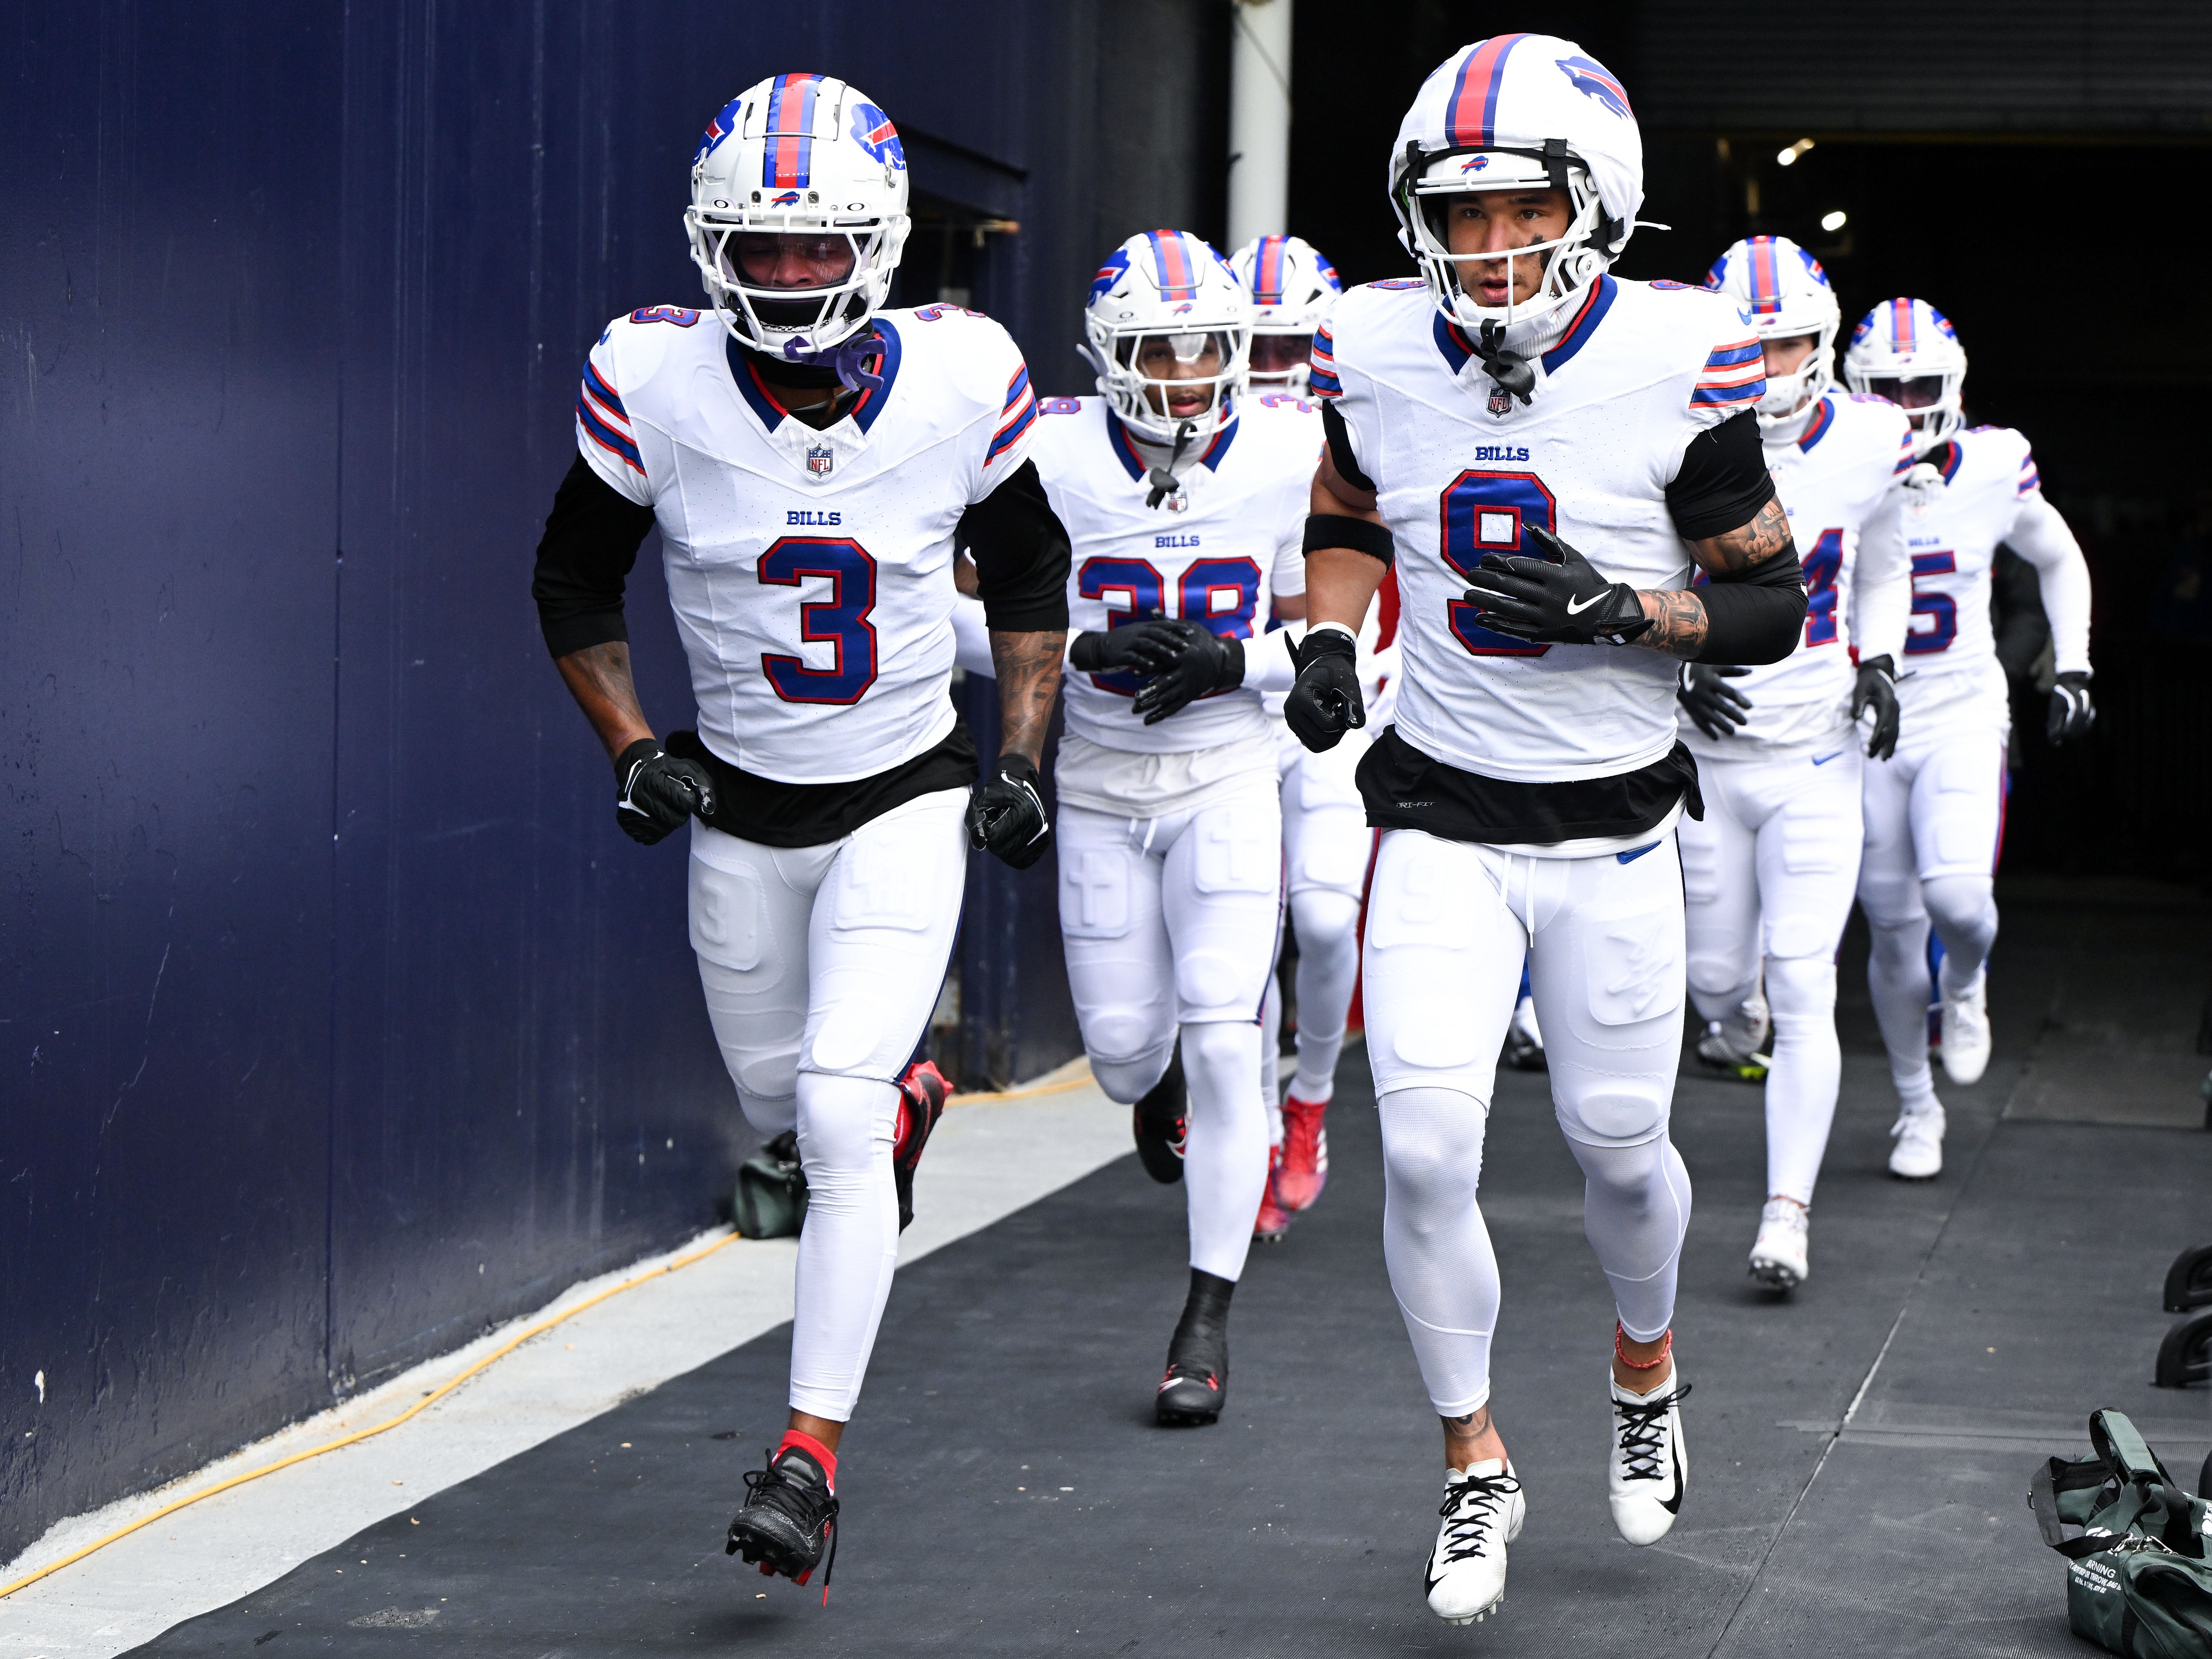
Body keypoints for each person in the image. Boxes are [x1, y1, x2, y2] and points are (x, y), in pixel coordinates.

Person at [1286, 35, 1807, 1625]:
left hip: (1609, 832)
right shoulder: (1371, 343)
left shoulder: (1674, 355)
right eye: (1456, 214)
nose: (1487, 244)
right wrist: (1324, 638)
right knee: (1429, 1149)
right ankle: (1472, 1463)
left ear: (1595, 205)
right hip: (1438, 810)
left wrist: (1629, 610)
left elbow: (1771, 601)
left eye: (1520, 209)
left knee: (1616, 1147)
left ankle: (1642, 1365)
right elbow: (1348, 502)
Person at [529, 74, 1069, 1593]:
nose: (783, 277)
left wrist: (1017, 759)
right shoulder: (655, 377)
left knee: (828, 1117)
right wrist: (634, 747)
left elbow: (1028, 577)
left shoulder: (964, 376)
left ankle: (807, 1461)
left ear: (880, 242)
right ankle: (902, 1101)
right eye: (754, 250)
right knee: (791, 1104)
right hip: (740, 808)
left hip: (901, 791)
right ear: (711, 249)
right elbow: (572, 581)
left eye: (811, 245)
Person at [1030, 229, 1310, 1423]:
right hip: (1097, 785)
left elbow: (1326, 628)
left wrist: (1235, 658)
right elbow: (939, 600)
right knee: (1124, 1058)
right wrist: (1070, 645)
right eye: (1162, 351)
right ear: (1108, 353)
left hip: (1227, 777)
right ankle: (1157, 1094)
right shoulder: (1048, 454)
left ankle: (1206, 1317)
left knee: (1224, 1028)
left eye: (1211, 352)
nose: (1190, 377)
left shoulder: (1289, 448)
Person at [1676, 237, 1913, 1288]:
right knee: (1717, 985)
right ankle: (1737, 1021)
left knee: (1801, 975)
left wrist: (1884, 659)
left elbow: (1883, 559)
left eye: (1791, 345)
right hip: (1703, 757)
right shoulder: (1670, 424)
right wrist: (1677, 670)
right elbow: (1634, 571)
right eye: (1754, 346)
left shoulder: (1869, 436)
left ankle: (1787, 1213)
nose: (1772, 368)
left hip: (1819, 744)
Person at [1841, 298, 2096, 1177]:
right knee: (1891, 929)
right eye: (1887, 387)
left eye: (1920, 385)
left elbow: (2059, 555)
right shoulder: (1832, 460)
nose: (1907, 403)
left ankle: (1968, 981)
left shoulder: (1993, 462)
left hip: (1956, 709)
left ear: (1952, 386)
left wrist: (2077, 664)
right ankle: (1917, 1108)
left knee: (1959, 903)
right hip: (1865, 721)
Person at [1230, 234, 1372, 1230]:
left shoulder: (1371, 417)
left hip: (1341, 700)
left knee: (1324, 920)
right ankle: (1256, 1121)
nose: (1277, 370)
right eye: (1259, 344)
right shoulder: (1198, 432)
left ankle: (1309, 1098)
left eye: (1295, 346)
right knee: (1252, 931)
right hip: (1236, 703)